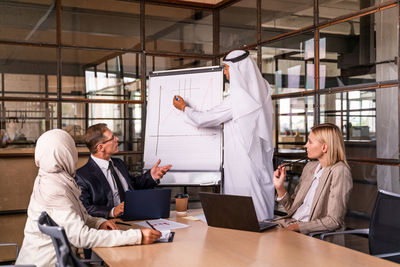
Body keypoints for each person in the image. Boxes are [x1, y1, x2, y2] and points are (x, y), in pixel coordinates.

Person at [16, 129, 161, 267]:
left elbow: (78, 214)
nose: (76, 153)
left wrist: (98, 223)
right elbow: (80, 236)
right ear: (64, 153)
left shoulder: (55, 178)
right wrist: (136, 237)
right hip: (47, 263)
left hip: (60, 260)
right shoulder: (53, 188)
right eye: (72, 148)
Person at [173, 50, 274, 221]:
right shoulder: (261, 90)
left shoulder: (239, 98)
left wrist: (184, 108)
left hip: (242, 161)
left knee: (243, 208)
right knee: (258, 199)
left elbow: (205, 119)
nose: (225, 72)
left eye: (227, 68)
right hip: (258, 160)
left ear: (238, 69)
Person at [75, 123, 172, 219]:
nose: (117, 139)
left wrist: (151, 176)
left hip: (134, 219)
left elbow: (132, 186)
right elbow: (84, 208)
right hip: (109, 225)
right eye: (112, 138)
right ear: (100, 147)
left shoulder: (119, 163)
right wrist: (112, 211)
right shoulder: (82, 176)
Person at [273, 123, 353, 235]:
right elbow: (292, 209)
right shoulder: (310, 167)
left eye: (310, 142)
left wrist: (297, 227)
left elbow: (334, 221)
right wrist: (280, 187)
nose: (306, 145)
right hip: (289, 225)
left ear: (324, 147)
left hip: (309, 233)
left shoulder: (340, 171)